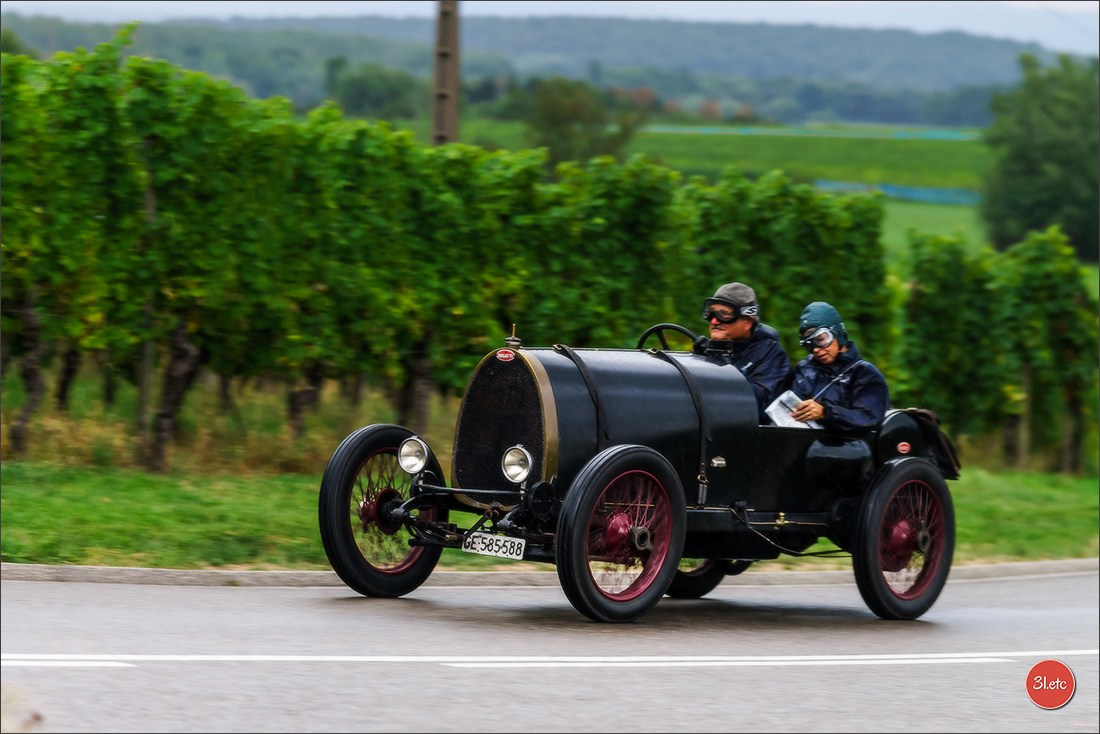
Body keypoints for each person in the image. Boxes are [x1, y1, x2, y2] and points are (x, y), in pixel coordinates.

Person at [778, 301, 889, 434]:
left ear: (837, 333)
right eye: (809, 345)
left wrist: (825, 412)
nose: (816, 350)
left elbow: (869, 418)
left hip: (849, 449)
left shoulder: (864, 374)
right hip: (804, 445)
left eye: (821, 340)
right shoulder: (804, 368)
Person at [692, 282, 791, 420]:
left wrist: (721, 365)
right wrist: (696, 360)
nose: (714, 321)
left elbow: (758, 405)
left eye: (724, 314)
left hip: (751, 435)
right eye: (711, 313)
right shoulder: (710, 349)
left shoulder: (772, 355)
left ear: (748, 322)